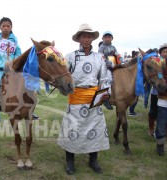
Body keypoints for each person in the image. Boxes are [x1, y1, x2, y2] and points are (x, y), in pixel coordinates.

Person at [57, 23, 111, 175]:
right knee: (72, 130)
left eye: (89, 36)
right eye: (83, 36)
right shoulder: (70, 56)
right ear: (79, 39)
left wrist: (106, 92)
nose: (86, 39)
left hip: (94, 100)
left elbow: (105, 77)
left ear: (92, 39)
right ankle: (70, 162)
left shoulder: (99, 57)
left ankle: (93, 160)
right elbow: (63, 76)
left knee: (95, 130)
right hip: (76, 99)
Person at [0, 17, 22, 129]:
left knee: (26, 81)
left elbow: (18, 53)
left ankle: (29, 109)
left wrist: (13, 62)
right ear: (0, 27)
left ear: (11, 27)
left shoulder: (14, 39)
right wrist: (2, 64)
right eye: (4, 26)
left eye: (8, 26)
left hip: (13, 67)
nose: (6, 28)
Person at [155, 43, 167, 156]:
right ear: (161, 53)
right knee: (161, 126)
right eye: (164, 51)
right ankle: (160, 146)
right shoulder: (160, 63)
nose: (166, 53)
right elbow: (158, 75)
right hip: (164, 101)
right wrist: (162, 79)